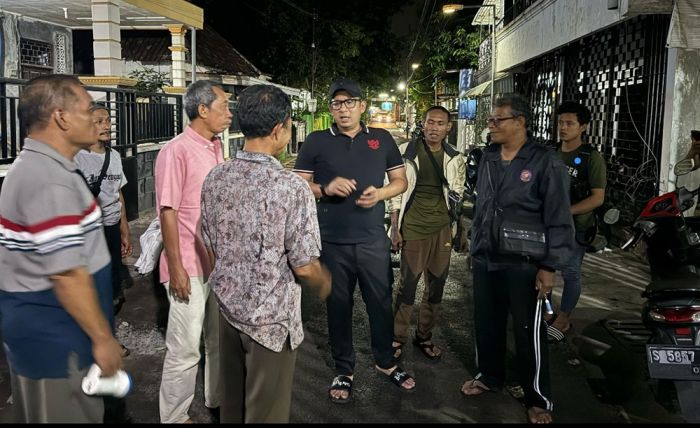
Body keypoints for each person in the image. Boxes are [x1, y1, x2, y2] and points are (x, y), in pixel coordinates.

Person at [200, 84, 332, 423]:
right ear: (280, 129)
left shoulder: (216, 177)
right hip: (270, 324)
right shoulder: (291, 187)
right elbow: (304, 266)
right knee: (266, 414)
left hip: (225, 311)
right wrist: (325, 282)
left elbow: (209, 240)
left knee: (233, 408)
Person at [0, 74, 122, 422]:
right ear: (61, 117)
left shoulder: (43, 168)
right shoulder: (49, 180)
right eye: (87, 109)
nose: (96, 118)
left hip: (50, 338)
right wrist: (103, 339)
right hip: (58, 344)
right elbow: (66, 272)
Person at [293, 78, 414, 404]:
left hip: (374, 239)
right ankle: (344, 370)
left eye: (350, 103)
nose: (343, 109)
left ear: (363, 106)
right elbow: (299, 185)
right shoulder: (317, 141)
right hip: (333, 242)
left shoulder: (382, 138)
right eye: (337, 104)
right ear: (330, 108)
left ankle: (386, 362)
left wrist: (381, 193)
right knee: (338, 308)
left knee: (380, 304)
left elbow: (400, 181)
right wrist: (325, 189)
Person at [461, 94, 574, 424]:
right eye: (490, 120)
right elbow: (481, 207)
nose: (491, 125)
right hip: (487, 257)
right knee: (487, 323)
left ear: (520, 122)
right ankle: (490, 377)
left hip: (526, 261)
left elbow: (557, 216)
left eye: (498, 120)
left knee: (529, 333)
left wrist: (549, 266)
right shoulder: (488, 157)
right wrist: (475, 246)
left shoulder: (544, 161)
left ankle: (538, 397)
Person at [155, 80, 230, 423]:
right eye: (224, 107)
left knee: (217, 340)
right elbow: (167, 210)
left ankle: (217, 399)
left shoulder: (215, 146)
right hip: (188, 262)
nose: (229, 114)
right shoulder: (176, 150)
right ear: (202, 110)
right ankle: (174, 416)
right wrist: (177, 266)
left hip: (214, 262)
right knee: (185, 347)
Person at [389, 106, 465, 360]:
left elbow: (457, 197)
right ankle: (397, 337)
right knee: (407, 285)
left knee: (436, 286)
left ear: (448, 128)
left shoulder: (456, 158)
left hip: (442, 228)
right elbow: (395, 193)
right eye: (430, 122)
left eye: (440, 123)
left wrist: (458, 229)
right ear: (422, 124)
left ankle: (424, 336)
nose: (434, 128)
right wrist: (395, 227)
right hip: (413, 227)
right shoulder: (406, 153)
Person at [75, 103, 133, 352]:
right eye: (99, 121)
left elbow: (117, 196)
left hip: (110, 229)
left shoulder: (115, 156)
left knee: (113, 290)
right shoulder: (76, 158)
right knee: (93, 289)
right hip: (89, 233)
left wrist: (124, 231)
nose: (106, 126)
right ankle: (101, 340)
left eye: (107, 120)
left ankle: (104, 335)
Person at [547, 101, 606, 342]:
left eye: (569, 123)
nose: (563, 127)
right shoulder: (549, 152)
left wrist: (566, 211)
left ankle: (564, 316)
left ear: (583, 126)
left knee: (571, 272)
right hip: (547, 225)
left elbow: (597, 198)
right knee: (544, 269)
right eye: (560, 122)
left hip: (575, 228)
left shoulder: (590, 158)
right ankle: (547, 312)